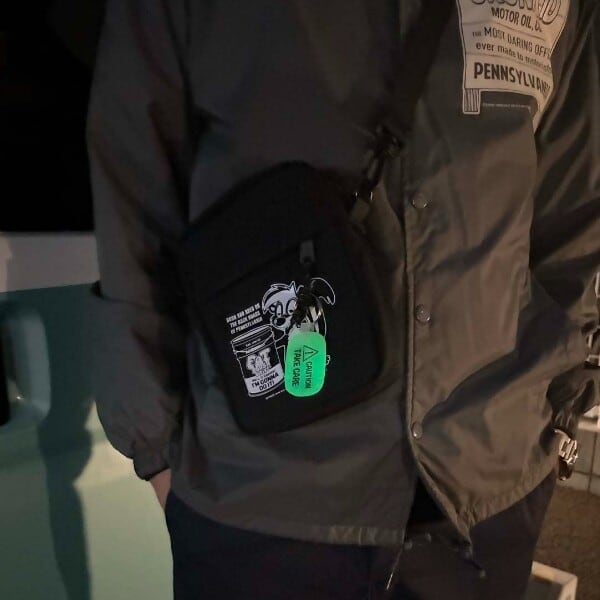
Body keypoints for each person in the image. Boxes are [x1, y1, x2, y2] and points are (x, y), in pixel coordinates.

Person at [86, 1, 600, 598]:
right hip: (263, 494)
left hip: (487, 486)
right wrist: (154, 447)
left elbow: (573, 214)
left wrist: (562, 412)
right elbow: (135, 191)